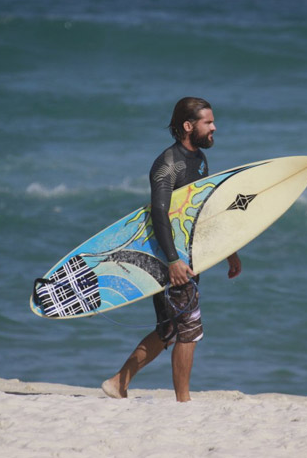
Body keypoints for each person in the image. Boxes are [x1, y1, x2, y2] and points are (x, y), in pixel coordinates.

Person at [102, 97, 242, 402]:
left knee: (168, 331)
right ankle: (183, 401)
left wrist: (228, 250)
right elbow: (159, 214)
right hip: (170, 261)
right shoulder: (167, 164)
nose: (214, 127)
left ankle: (117, 383)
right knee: (189, 327)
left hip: (189, 258)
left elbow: (201, 212)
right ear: (188, 126)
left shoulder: (201, 160)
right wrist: (173, 260)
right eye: (208, 122)